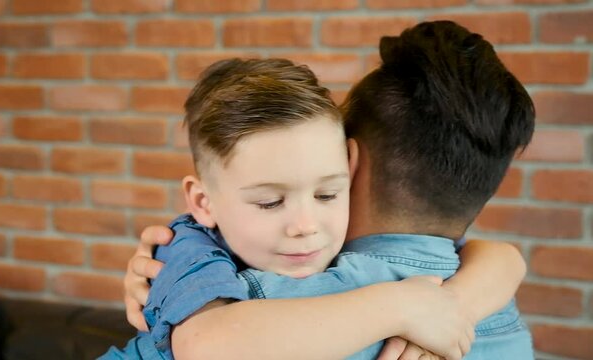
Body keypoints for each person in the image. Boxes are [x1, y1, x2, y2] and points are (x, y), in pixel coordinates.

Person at [121, 21, 534, 360]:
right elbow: (500, 255)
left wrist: (451, 304)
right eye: (270, 201)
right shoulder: (494, 305)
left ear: (351, 165)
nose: (304, 225)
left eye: (325, 193)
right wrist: (416, 306)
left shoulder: (264, 304)